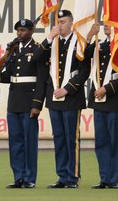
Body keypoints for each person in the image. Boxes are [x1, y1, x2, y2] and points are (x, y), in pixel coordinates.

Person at [33, 10, 91, 189]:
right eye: (58, 22)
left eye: (63, 22)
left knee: (71, 138)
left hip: (71, 97)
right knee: (58, 138)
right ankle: (62, 176)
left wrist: (67, 89)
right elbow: (36, 58)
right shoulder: (53, 43)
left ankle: (72, 177)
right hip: (54, 98)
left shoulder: (78, 42)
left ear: (71, 23)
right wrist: (49, 37)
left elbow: (84, 70)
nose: (60, 25)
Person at [0, 18, 45, 189]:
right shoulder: (13, 51)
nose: (20, 33)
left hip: (29, 103)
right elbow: (10, 76)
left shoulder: (37, 50)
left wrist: (37, 104)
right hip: (14, 103)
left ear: (31, 31)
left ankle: (29, 178)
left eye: (24, 30)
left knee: (29, 142)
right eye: (18, 30)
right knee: (16, 142)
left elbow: (42, 80)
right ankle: (18, 177)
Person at [87, 24, 118, 189]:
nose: (106, 25)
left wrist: (107, 89)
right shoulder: (101, 46)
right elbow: (81, 56)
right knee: (101, 142)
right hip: (99, 102)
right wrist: (90, 36)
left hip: (114, 102)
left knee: (116, 142)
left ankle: (116, 178)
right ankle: (105, 177)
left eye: (111, 21)